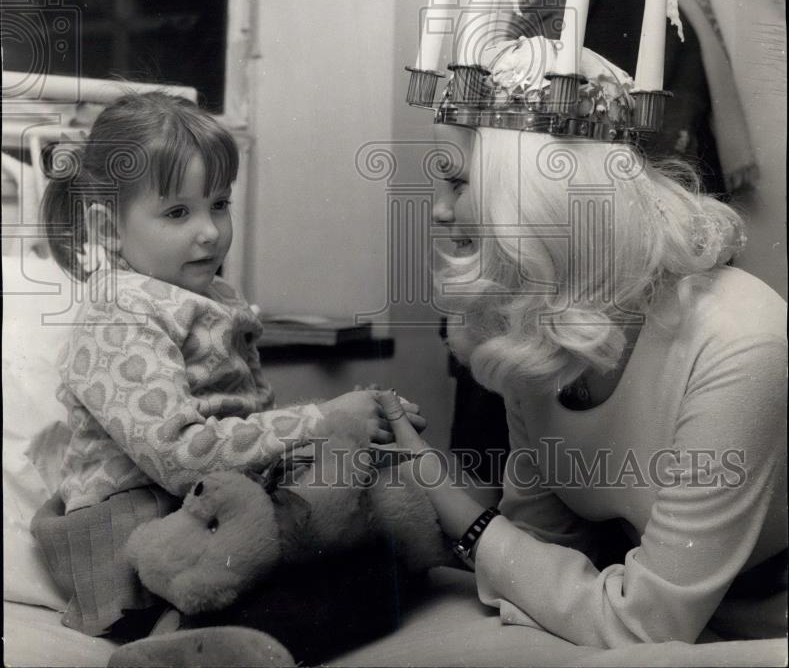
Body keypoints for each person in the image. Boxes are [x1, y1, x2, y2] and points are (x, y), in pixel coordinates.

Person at [394, 36, 787, 649]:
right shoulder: (533, 330)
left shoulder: (739, 341)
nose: (439, 212)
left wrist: (456, 510)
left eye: (459, 183)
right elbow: (537, 550)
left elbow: (646, 623)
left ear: (533, 194)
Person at [34, 90, 423, 651]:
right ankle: (180, 640)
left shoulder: (214, 298)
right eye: (177, 212)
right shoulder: (121, 312)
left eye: (219, 204)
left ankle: (211, 639)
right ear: (108, 228)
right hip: (134, 536)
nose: (210, 231)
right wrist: (321, 421)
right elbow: (178, 456)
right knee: (341, 570)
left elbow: (250, 422)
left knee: (381, 556)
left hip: (210, 512)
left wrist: (353, 428)